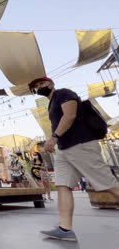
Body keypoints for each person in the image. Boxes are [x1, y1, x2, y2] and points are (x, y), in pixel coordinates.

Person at [29, 76, 119, 242]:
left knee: (108, 184)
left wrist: (54, 137)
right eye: (36, 86)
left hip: (81, 144)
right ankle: (65, 229)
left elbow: (70, 115)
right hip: (64, 149)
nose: (39, 86)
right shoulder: (51, 104)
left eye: (42, 83)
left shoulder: (64, 93)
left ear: (51, 83)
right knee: (63, 185)